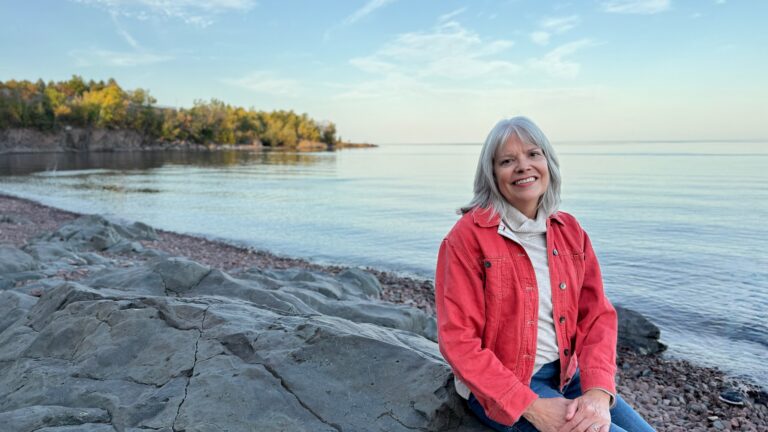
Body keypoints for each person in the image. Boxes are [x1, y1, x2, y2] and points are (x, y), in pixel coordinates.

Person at [435, 117, 654, 432]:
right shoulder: (467, 239)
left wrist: (597, 392)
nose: (523, 166)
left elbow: (596, 317)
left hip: (568, 374)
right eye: (507, 161)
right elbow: (458, 340)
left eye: (533, 154)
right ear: (492, 174)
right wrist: (530, 407)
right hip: (503, 387)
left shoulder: (570, 231)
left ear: (548, 162)